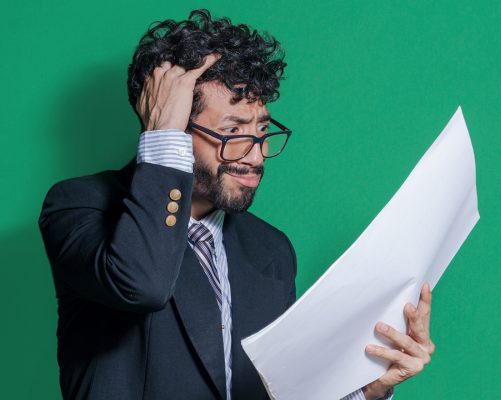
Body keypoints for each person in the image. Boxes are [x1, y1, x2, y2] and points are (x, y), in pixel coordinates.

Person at [38, 9, 435, 400]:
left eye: (261, 129)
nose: (256, 156)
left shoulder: (271, 250)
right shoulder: (78, 207)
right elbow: (144, 285)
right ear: (172, 126)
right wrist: (161, 138)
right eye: (232, 131)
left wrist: (366, 391)